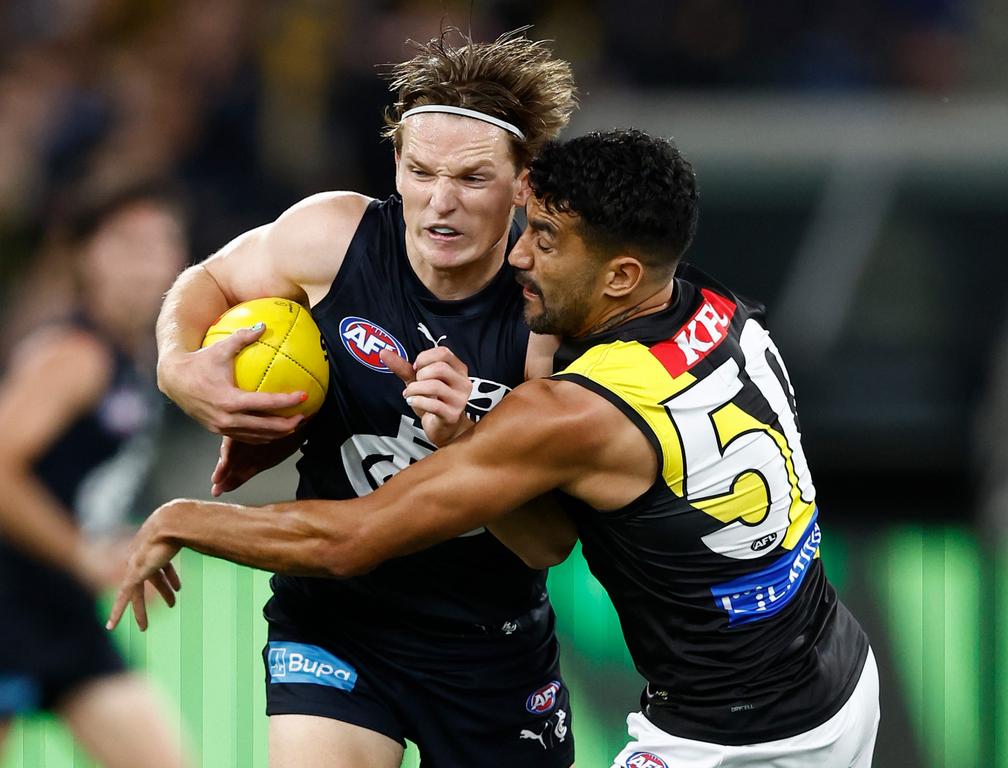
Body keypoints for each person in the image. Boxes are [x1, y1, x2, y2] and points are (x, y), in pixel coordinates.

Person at [112, 128, 880, 767]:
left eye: (544, 239)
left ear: (620, 275)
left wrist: (184, 519)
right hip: (838, 671)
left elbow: (351, 539)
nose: (519, 256)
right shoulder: (715, 308)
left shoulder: (572, 412)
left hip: (733, 735)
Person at [150, 28, 580, 768]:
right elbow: (211, 281)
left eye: (472, 179)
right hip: (335, 623)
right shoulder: (333, 237)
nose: (440, 202)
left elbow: (550, 542)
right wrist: (177, 365)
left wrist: (466, 445)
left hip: (487, 648)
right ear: (397, 165)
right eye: (421, 172)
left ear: (524, 182)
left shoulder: (550, 316)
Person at [0, 183, 192, 768]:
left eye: (163, 242)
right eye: (130, 242)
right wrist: (82, 552)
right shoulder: (74, 354)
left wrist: (114, 550)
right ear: (87, 256)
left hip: (58, 611)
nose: (150, 260)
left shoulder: (133, 357)